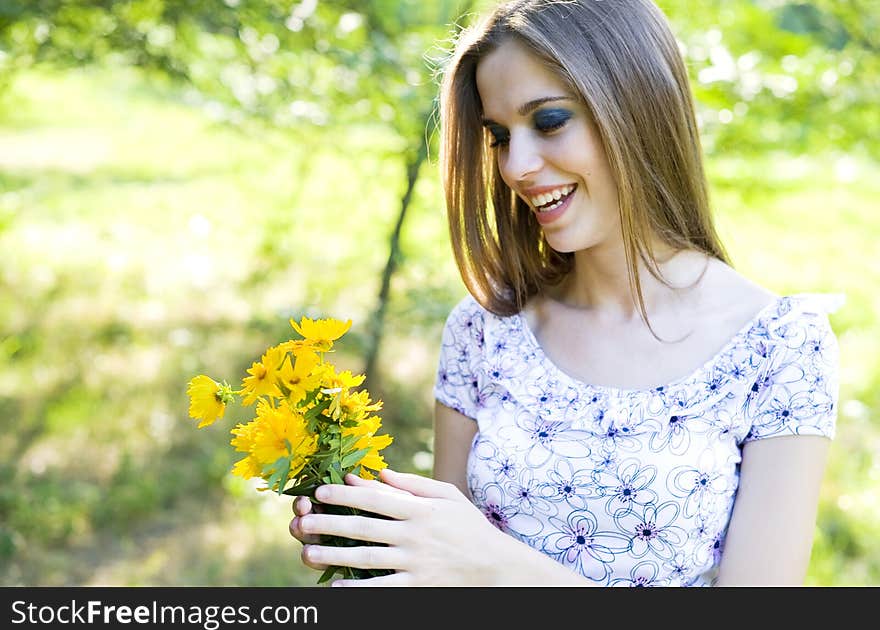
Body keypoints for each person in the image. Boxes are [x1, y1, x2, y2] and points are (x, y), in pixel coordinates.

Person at [288, 0, 842, 586]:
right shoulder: (484, 331)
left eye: (549, 121)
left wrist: (499, 568)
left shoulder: (778, 347)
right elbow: (444, 582)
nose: (516, 166)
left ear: (639, 107)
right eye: (499, 136)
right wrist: (369, 543)